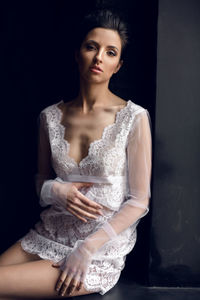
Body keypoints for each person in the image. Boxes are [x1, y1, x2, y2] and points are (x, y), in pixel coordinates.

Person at [0, 8, 152, 299]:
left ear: (118, 65)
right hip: (48, 233)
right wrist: (56, 190)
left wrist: (87, 248)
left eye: (110, 52)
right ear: (77, 53)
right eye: (91, 47)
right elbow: (40, 181)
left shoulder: (134, 117)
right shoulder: (49, 117)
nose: (99, 57)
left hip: (98, 249)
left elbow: (139, 201)